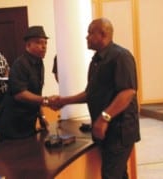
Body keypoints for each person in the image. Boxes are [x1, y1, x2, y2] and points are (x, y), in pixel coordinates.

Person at [52, 18, 140, 179]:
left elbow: (127, 92)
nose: (87, 37)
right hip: (108, 132)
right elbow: (90, 93)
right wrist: (63, 101)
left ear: (103, 34)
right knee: (118, 174)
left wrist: (104, 118)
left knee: (110, 175)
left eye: (90, 33)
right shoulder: (97, 60)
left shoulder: (121, 56)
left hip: (120, 131)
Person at [0, 26, 54, 141]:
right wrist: (46, 100)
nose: (44, 47)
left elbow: (36, 92)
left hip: (27, 123)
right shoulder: (20, 64)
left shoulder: (39, 63)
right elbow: (20, 94)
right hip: (12, 125)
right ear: (28, 45)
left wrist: (42, 116)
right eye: (38, 43)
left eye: (45, 43)